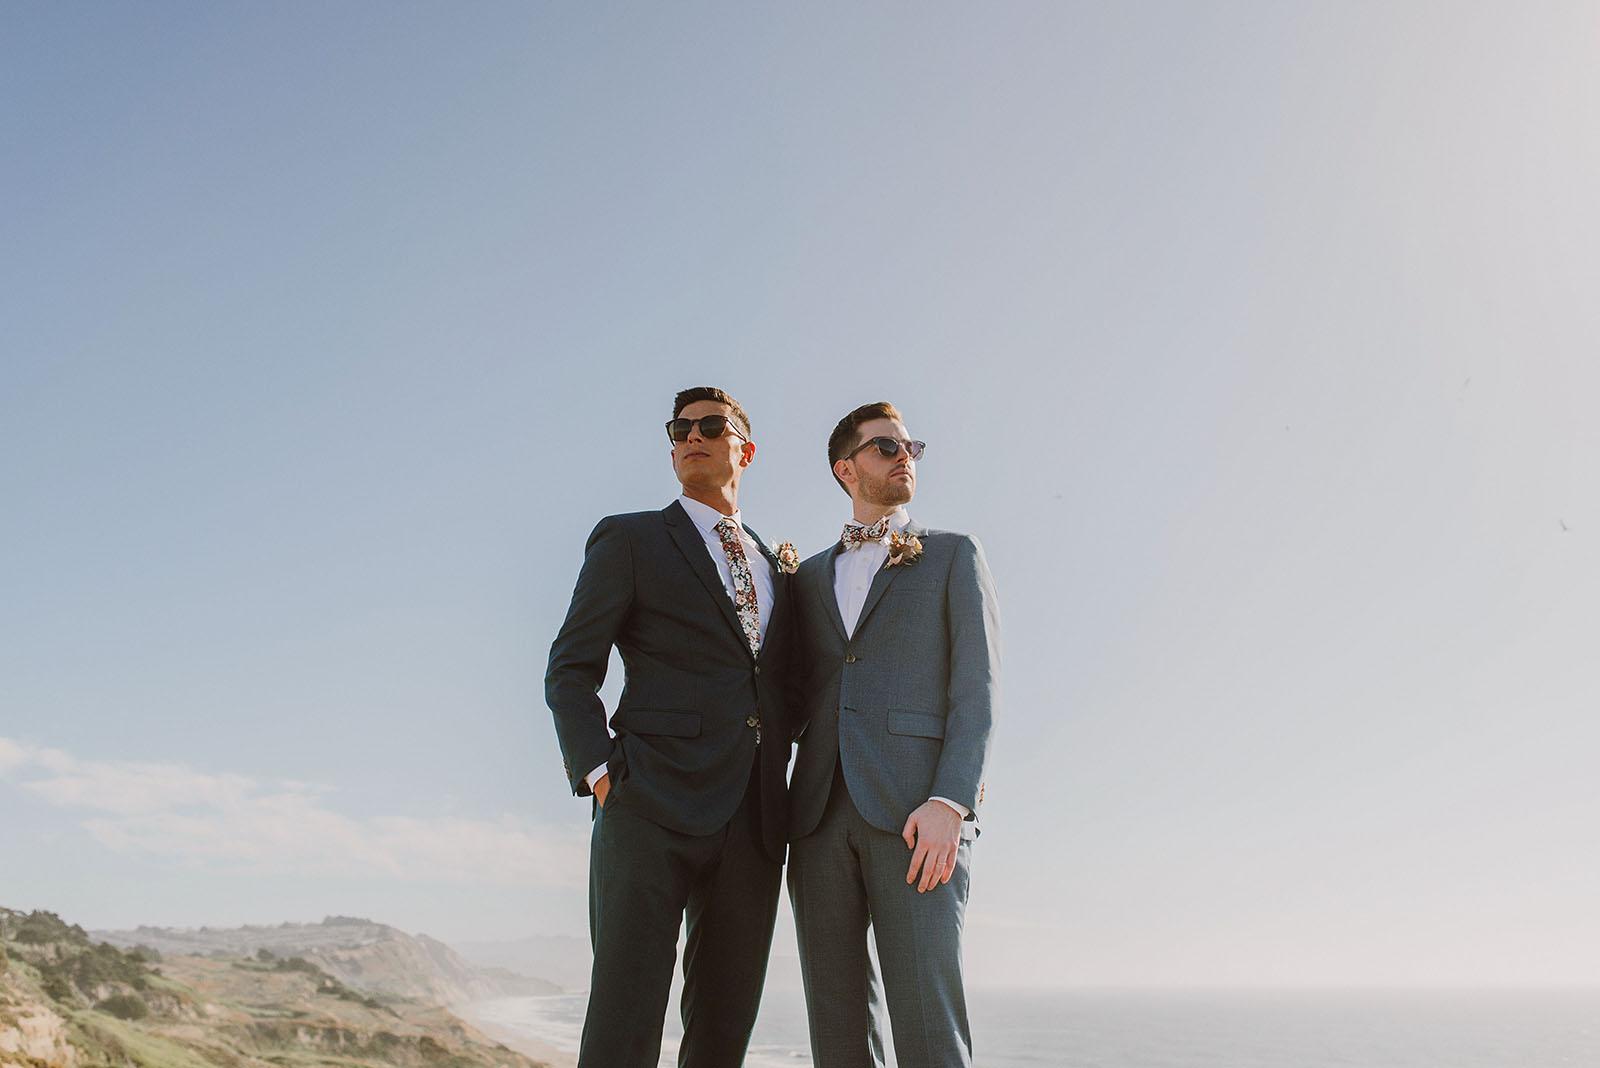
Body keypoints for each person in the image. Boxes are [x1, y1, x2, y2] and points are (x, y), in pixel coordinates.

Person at [546, 386, 797, 1068]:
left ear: (744, 449)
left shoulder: (778, 569)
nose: (691, 436)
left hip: (753, 818)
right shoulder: (628, 538)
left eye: (710, 426)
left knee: (724, 1026)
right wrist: (600, 775)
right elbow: (570, 669)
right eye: (679, 428)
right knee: (625, 1019)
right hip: (648, 803)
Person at [787, 401, 1001, 1068]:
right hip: (817, 820)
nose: (904, 454)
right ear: (845, 468)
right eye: (885, 446)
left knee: (928, 1027)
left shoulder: (953, 555)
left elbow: (977, 690)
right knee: (837, 1032)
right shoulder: (805, 577)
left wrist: (951, 801)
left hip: (919, 822)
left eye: (910, 445)